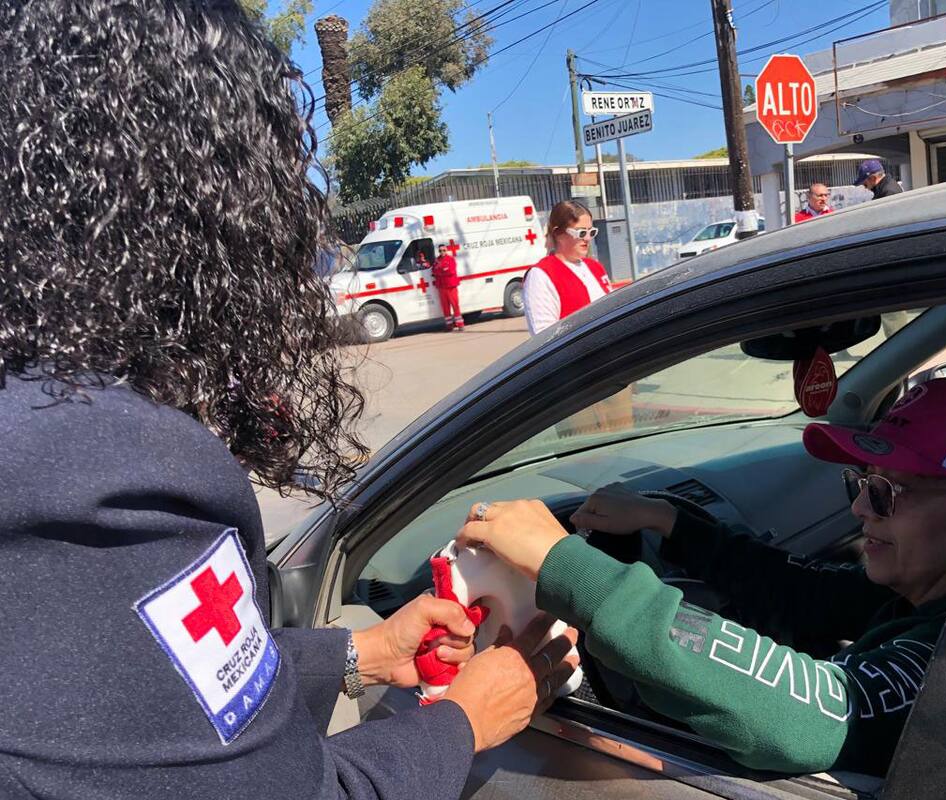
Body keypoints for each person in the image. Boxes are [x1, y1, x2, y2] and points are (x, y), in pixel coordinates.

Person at [0, 2, 577, 799]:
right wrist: (465, 720)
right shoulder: (106, 478)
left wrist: (360, 655)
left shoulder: (32, 429)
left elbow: (131, 693)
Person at [456, 378, 946, 776]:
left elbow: (823, 712)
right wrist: (668, 520)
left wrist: (567, 565)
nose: (861, 509)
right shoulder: (931, 593)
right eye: (861, 482)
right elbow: (803, 592)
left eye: (887, 492)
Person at [522, 200, 612, 336]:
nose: (588, 238)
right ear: (558, 234)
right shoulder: (541, 275)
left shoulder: (595, 267)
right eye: (581, 233)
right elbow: (543, 335)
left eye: (591, 232)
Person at [433, 243, 465, 332]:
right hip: (441, 287)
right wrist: (442, 270)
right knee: (445, 307)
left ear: (446, 250)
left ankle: (460, 324)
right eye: (440, 251)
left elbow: (451, 271)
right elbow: (434, 270)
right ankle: (449, 325)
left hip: (451, 286)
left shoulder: (450, 259)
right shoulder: (437, 260)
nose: (442, 252)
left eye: (444, 250)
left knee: (455, 305)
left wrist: (440, 272)